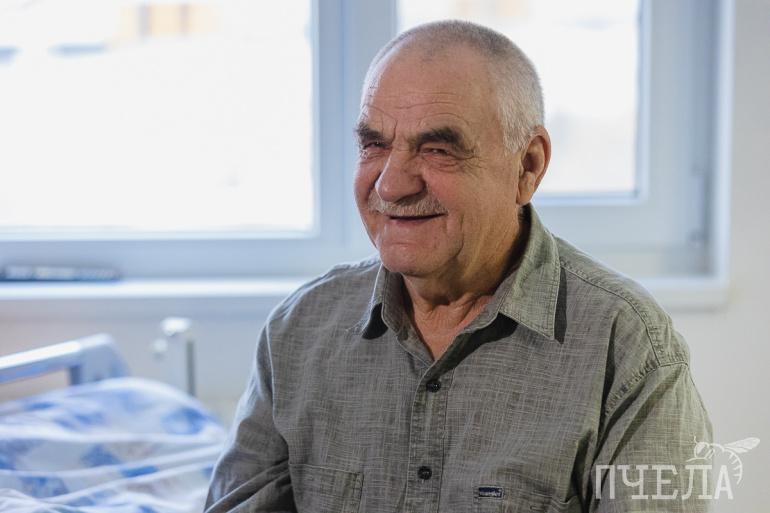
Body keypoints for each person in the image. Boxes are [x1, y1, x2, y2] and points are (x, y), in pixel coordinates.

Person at [205, 20, 712, 513]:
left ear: (528, 166)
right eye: (374, 144)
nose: (391, 185)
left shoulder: (624, 346)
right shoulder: (298, 330)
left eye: (438, 150)